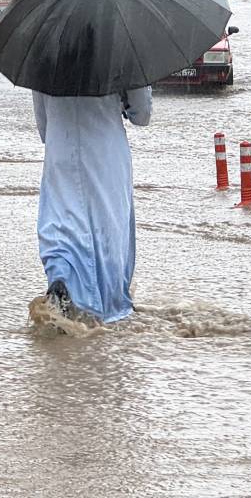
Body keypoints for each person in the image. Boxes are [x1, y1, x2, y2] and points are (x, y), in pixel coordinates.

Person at [34, 87, 153, 323]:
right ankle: (106, 310)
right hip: (105, 152)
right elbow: (142, 115)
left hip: (61, 149)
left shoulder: (44, 54)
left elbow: (44, 128)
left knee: (61, 222)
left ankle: (62, 278)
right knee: (106, 228)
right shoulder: (120, 52)